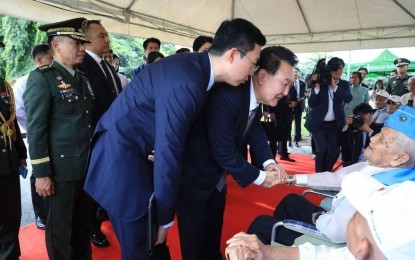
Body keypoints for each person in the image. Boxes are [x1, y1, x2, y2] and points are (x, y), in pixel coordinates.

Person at [84, 18, 266, 260]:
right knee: (139, 250)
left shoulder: (197, 72)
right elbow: (170, 151)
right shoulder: (189, 82)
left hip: (139, 160)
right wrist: (165, 220)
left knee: (153, 250)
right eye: (253, 63)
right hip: (122, 166)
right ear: (233, 54)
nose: (252, 72)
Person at [177, 46, 296, 260]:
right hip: (194, 178)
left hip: (216, 180)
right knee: (194, 244)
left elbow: (255, 131)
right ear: (262, 76)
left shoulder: (250, 97)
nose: (286, 93)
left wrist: (269, 162)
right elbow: (223, 152)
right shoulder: (229, 95)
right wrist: (261, 177)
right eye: (284, 84)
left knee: (212, 238)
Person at [245, 105, 415, 247]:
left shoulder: (380, 190)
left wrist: (319, 217)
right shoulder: (385, 168)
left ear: (399, 158)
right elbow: (338, 178)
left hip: (334, 244)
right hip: (333, 218)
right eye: (379, 133)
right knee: (291, 202)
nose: (372, 139)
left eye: (382, 139)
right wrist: (291, 179)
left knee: (262, 225)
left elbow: (336, 233)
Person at [23, 18, 94, 260]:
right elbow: (36, 129)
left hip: (85, 169)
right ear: (56, 44)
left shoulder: (82, 79)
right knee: (60, 233)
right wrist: (42, 173)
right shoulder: (42, 79)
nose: (83, 48)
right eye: (76, 43)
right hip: (60, 172)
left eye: (83, 43)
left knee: (83, 227)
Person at [224, 173, 415, 260]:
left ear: (361, 248)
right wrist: (267, 253)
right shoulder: (380, 252)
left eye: (357, 212)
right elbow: (324, 255)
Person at [77, 19, 123, 248]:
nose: (107, 40)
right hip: (95, 137)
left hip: (112, 136)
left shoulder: (106, 65)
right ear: (86, 40)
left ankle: (102, 217)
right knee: (93, 185)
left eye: (106, 35)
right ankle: (92, 227)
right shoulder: (83, 65)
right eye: (101, 36)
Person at [13, 44, 52, 230]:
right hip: (37, 134)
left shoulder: (57, 78)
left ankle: (51, 210)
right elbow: (18, 112)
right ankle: (40, 214)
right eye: (50, 59)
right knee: (39, 172)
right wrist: (35, 126)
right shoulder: (24, 82)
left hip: (56, 136)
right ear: (38, 60)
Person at [0, 40, 28, 260]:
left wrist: (21, 154)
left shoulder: (4, 86)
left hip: (8, 162)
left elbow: (12, 124)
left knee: (10, 215)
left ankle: (10, 256)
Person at [305, 57, 352, 172]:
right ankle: (319, 175)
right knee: (321, 150)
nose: (337, 71)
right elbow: (311, 103)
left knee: (335, 151)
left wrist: (334, 86)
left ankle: (326, 173)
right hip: (318, 124)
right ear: (329, 69)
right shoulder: (322, 82)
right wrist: (316, 88)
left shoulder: (344, 84)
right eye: (335, 68)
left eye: (340, 68)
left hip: (335, 124)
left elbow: (348, 98)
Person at [291, 67, 306, 146]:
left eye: (296, 72)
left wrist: (301, 98)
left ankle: (297, 138)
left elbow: (304, 94)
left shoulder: (302, 83)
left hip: (299, 106)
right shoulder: (289, 83)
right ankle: (288, 139)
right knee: (289, 122)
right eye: (294, 72)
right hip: (290, 106)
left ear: (299, 73)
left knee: (298, 122)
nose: (295, 73)